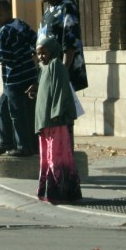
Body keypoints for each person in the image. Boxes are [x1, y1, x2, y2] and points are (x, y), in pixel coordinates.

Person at [0, 0, 38, 157]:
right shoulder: (20, 24)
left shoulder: (5, 32)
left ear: (8, 12)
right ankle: (7, 142)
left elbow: (2, 56)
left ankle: (23, 146)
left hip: (15, 80)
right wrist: (31, 51)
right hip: (29, 75)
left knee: (17, 113)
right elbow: (35, 39)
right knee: (3, 106)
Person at [33, 35, 82, 203]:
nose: (40, 57)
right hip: (45, 122)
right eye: (38, 54)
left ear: (52, 51)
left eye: (43, 53)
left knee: (57, 156)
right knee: (46, 156)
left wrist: (57, 115)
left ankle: (61, 191)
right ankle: (49, 191)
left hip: (56, 122)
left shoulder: (56, 66)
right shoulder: (43, 67)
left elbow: (61, 92)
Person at [37, 0, 88, 93]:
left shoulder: (67, 8)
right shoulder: (49, 11)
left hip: (62, 74)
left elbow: (70, 44)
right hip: (49, 73)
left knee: (63, 111)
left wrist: (62, 74)